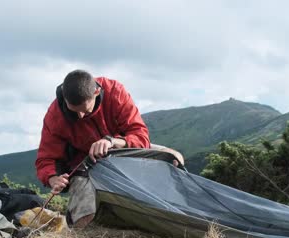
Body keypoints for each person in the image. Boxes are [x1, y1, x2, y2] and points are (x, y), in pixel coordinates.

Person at [35, 70, 183, 228]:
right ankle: (86, 233)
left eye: (85, 110)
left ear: (97, 92)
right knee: (84, 218)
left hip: (123, 150)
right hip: (86, 166)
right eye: (73, 110)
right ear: (64, 98)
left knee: (173, 157)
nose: (80, 117)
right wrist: (52, 178)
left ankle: (180, 215)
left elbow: (141, 137)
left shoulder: (115, 92)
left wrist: (112, 141)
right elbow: (45, 158)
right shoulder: (55, 114)